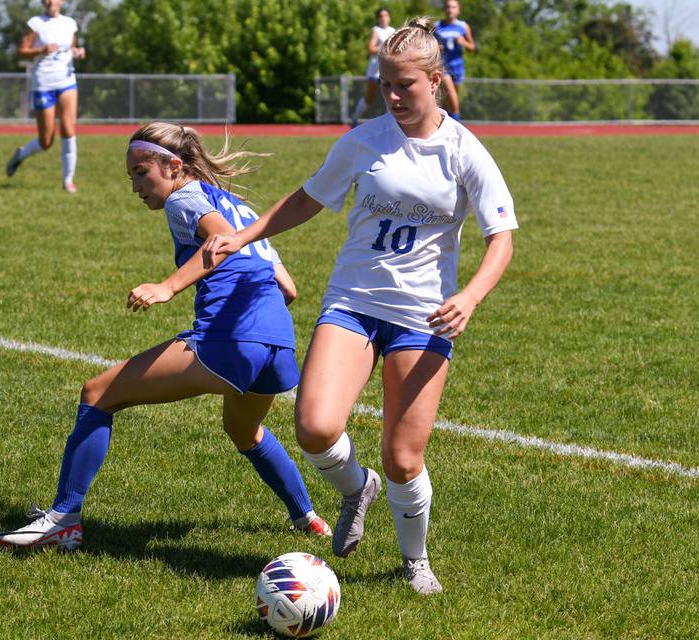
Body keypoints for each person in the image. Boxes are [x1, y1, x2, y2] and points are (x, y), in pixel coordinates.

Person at [203, 17, 517, 595]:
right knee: (315, 427)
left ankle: (414, 561)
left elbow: (502, 238)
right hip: (352, 302)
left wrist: (469, 296)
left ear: (435, 80)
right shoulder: (363, 140)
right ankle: (355, 488)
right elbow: (308, 198)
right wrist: (244, 237)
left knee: (403, 459)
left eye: (405, 85)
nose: (393, 96)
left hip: (423, 317)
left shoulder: (465, 151)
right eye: (384, 85)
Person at [0, 122, 331, 550]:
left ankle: (63, 518)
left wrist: (169, 286)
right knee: (244, 431)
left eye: (140, 172)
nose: (135, 184)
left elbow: (221, 240)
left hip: (230, 340)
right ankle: (307, 516)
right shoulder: (239, 208)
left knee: (98, 393)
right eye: (131, 175)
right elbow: (289, 288)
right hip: (279, 345)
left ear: (174, 166)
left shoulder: (184, 198)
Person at [5, 0, 85, 192]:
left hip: (66, 82)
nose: (50, 2)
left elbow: (72, 48)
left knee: (68, 129)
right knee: (46, 141)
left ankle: (68, 180)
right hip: (43, 83)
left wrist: (78, 52)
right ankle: (21, 154)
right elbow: (21, 51)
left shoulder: (70, 23)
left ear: (61, 1)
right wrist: (40, 50)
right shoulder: (35, 23)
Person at [350, 8, 395, 127]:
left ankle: (390, 123)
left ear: (389, 17)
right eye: (381, 16)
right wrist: (384, 48)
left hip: (388, 69)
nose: (383, 18)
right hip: (375, 70)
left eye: (386, 15)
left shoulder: (393, 31)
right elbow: (370, 49)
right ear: (378, 18)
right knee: (369, 98)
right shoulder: (376, 30)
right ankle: (355, 118)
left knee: (390, 98)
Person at [434, 0, 475, 122]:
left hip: (458, 67)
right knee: (452, 98)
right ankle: (458, 125)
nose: (450, 9)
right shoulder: (437, 26)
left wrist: (464, 43)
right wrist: (437, 47)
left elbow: (472, 47)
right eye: (447, 7)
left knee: (448, 102)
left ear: (458, 10)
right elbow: (431, 45)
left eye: (453, 7)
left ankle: (447, 126)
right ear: (444, 9)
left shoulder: (463, 26)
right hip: (443, 67)